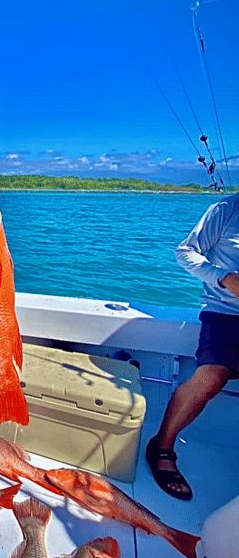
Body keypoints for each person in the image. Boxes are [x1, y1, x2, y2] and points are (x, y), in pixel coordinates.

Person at [146, 192, 239, 501]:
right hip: (224, 312)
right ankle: (162, 446)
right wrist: (224, 277)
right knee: (212, 377)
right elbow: (185, 251)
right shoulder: (227, 209)